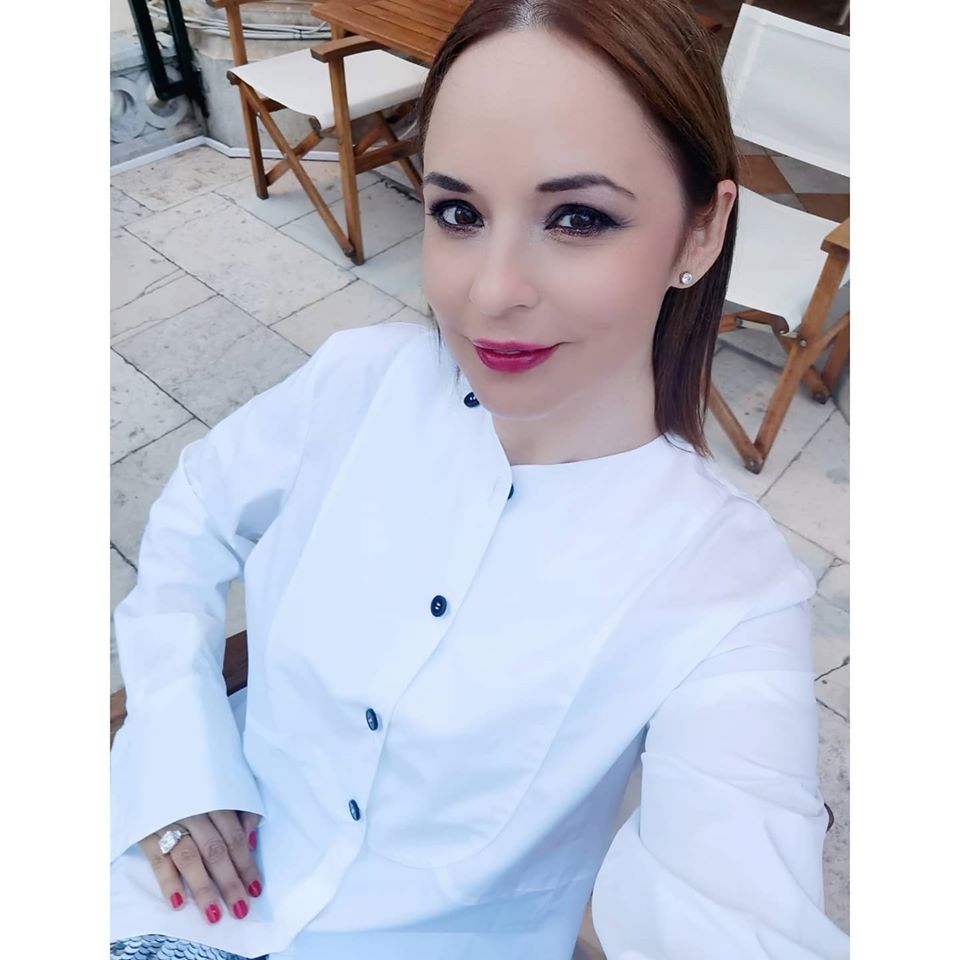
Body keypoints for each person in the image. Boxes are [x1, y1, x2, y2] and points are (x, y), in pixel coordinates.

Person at [110, 1, 850, 958]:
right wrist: (175, 745)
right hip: (153, 904)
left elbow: (734, 904)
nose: (490, 292)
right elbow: (193, 514)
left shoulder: (729, 592)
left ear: (700, 234)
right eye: (458, 212)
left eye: (578, 218)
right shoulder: (358, 381)